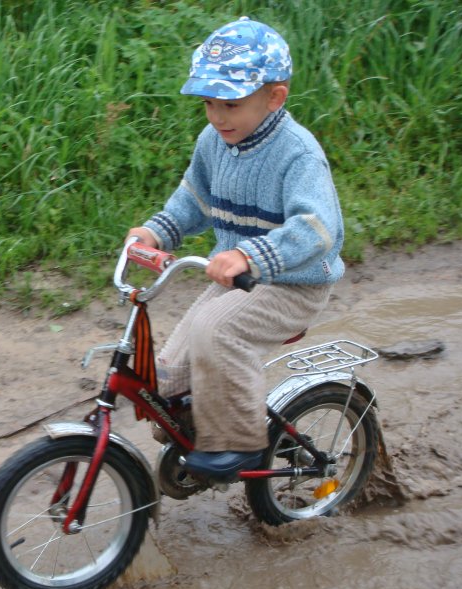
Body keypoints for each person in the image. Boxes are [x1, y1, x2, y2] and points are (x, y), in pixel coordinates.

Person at [127, 17, 345, 479]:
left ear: (274, 97)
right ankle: (193, 429)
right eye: (208, 103)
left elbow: (317, 229)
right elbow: (194, 199)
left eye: (230, 103)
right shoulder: (214, 141)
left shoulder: (297, 154)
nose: (217, 116)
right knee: (165, 372)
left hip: (294, 283)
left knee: (217, 331)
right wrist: (155, 232)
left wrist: (251, 255)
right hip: (240, 280)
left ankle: (238, 443)